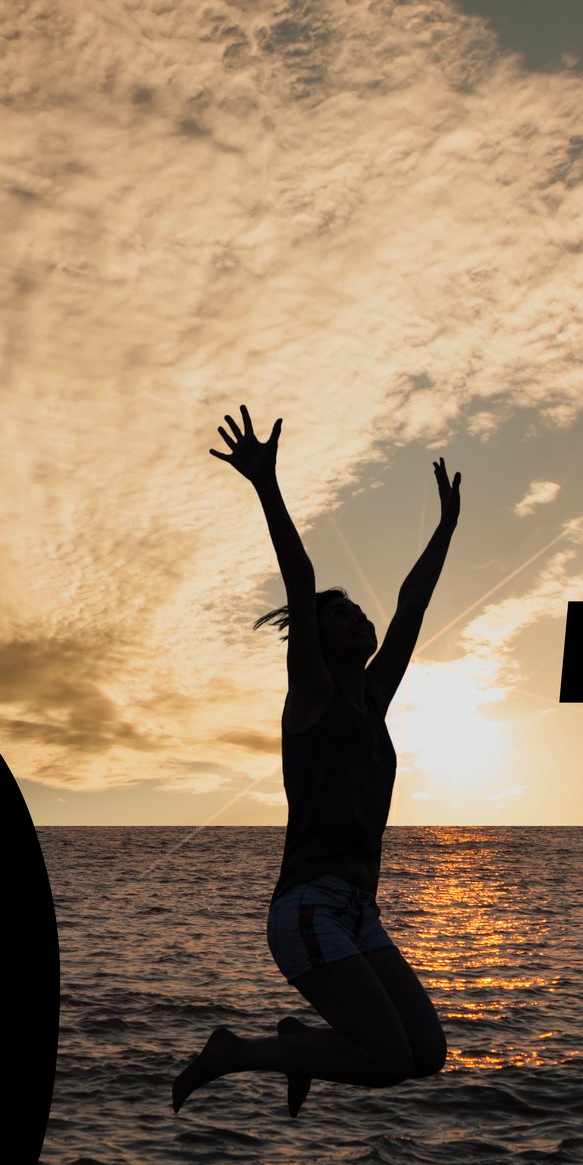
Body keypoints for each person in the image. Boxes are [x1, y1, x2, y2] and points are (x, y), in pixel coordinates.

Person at [174, 406, 460, 1117]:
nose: (359, 619)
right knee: (387, 1060)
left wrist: (446, 527)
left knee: (425, 1054)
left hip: (360, 910)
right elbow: (300, 584)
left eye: (358, 613)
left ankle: (300, 1043)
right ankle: (237, 1052)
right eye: (342, 616)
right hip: (308, 906)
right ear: (318, 639)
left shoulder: (371, 702)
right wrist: (265, 485)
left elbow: (411, 608)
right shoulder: (311, 696)